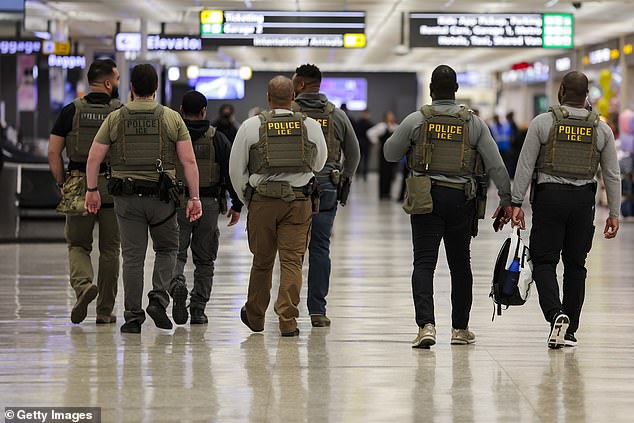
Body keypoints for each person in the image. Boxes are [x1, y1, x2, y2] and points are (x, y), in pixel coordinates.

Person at [384, 65, 512, 348]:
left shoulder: (417, 120)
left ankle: (426, 326)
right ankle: (460, 329)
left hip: (425, 198)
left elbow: (390, 153)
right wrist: (507, 199)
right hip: (461, 200)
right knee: (460, 264)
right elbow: (496, 164)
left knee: (424, 262)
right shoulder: (473, 123)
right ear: (456, 90)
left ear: (431, 90)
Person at [84, 64, 203, 334]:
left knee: (133, 258)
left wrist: (92, 190)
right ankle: (158, 299)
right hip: (162, 199)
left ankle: (132, 317)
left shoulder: (116, 118)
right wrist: (194, 197)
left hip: (126, 200)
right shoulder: (171, 118)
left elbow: (94, 157)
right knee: (167, 249)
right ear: (156, 88)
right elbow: (189, 161)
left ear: (131, 88)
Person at [511, 71, 621, 349]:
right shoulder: (601, 129)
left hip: (550, 199)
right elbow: (612, 174)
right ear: (587, 96)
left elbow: (524, 166)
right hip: (583, 202)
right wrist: (615, 213)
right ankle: (569, 329)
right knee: (576, 265)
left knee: (544, 261)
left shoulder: (543, 123)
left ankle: (555, 315)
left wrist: (514, 203)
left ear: (561, 92)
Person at [229, 75, 327, 337]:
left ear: (268, 98)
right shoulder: (311, 126)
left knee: (262, 261)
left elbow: (236, 169)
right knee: (292, 262)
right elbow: (319, 164)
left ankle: (256, 316)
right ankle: (287, 320)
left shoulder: (251, 127)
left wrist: (248, 198)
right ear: (293, 96)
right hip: (298, 202)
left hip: (263, 201)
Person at [48, 59, 122, 325]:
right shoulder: (120, 111)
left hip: (79, 183)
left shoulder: (71, 111)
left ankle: (83, 286)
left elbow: (54, 151)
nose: (117, 84)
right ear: (107, 82)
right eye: (116, 79)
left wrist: (62, 182)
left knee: (78, 244)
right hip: (113, 186)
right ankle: (104, 311)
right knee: (111, 250)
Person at [291, 64, 360, 327]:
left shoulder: (289, 113)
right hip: (326, 187)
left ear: (299, 85)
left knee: (291, 250)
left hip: (293, 188)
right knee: (320, 248)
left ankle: (288, 309)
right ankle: (317, 311)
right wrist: (343, 176)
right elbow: (354, 154)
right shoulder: (337, 115)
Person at [169, 90, 244, 325]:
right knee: (205, 260)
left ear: (181, 111)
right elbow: (231, 172)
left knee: (175, 253)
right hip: (209, 204)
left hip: (178, 203)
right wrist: (237, 204)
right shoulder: (217, 138)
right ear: (204, 112)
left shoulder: (173, 138)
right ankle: (198, 309)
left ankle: (176, 283)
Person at [368, 111, 399, 199]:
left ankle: (388, 192)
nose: (391, 117)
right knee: (383, 172)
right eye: (389, 116)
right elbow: (370, 133)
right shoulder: (381, 126)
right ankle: (382, 193)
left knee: (391, 173)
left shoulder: (396, 127)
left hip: (392, 153)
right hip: (383, 152)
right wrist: (377, 143)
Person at [354, 110, 375, 180]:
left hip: (366, 145)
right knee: (359, 160)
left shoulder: (370, 124)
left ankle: (364, 174)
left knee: (365, 160)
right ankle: (358, 174)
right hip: (360, 144)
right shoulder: (359, 123)